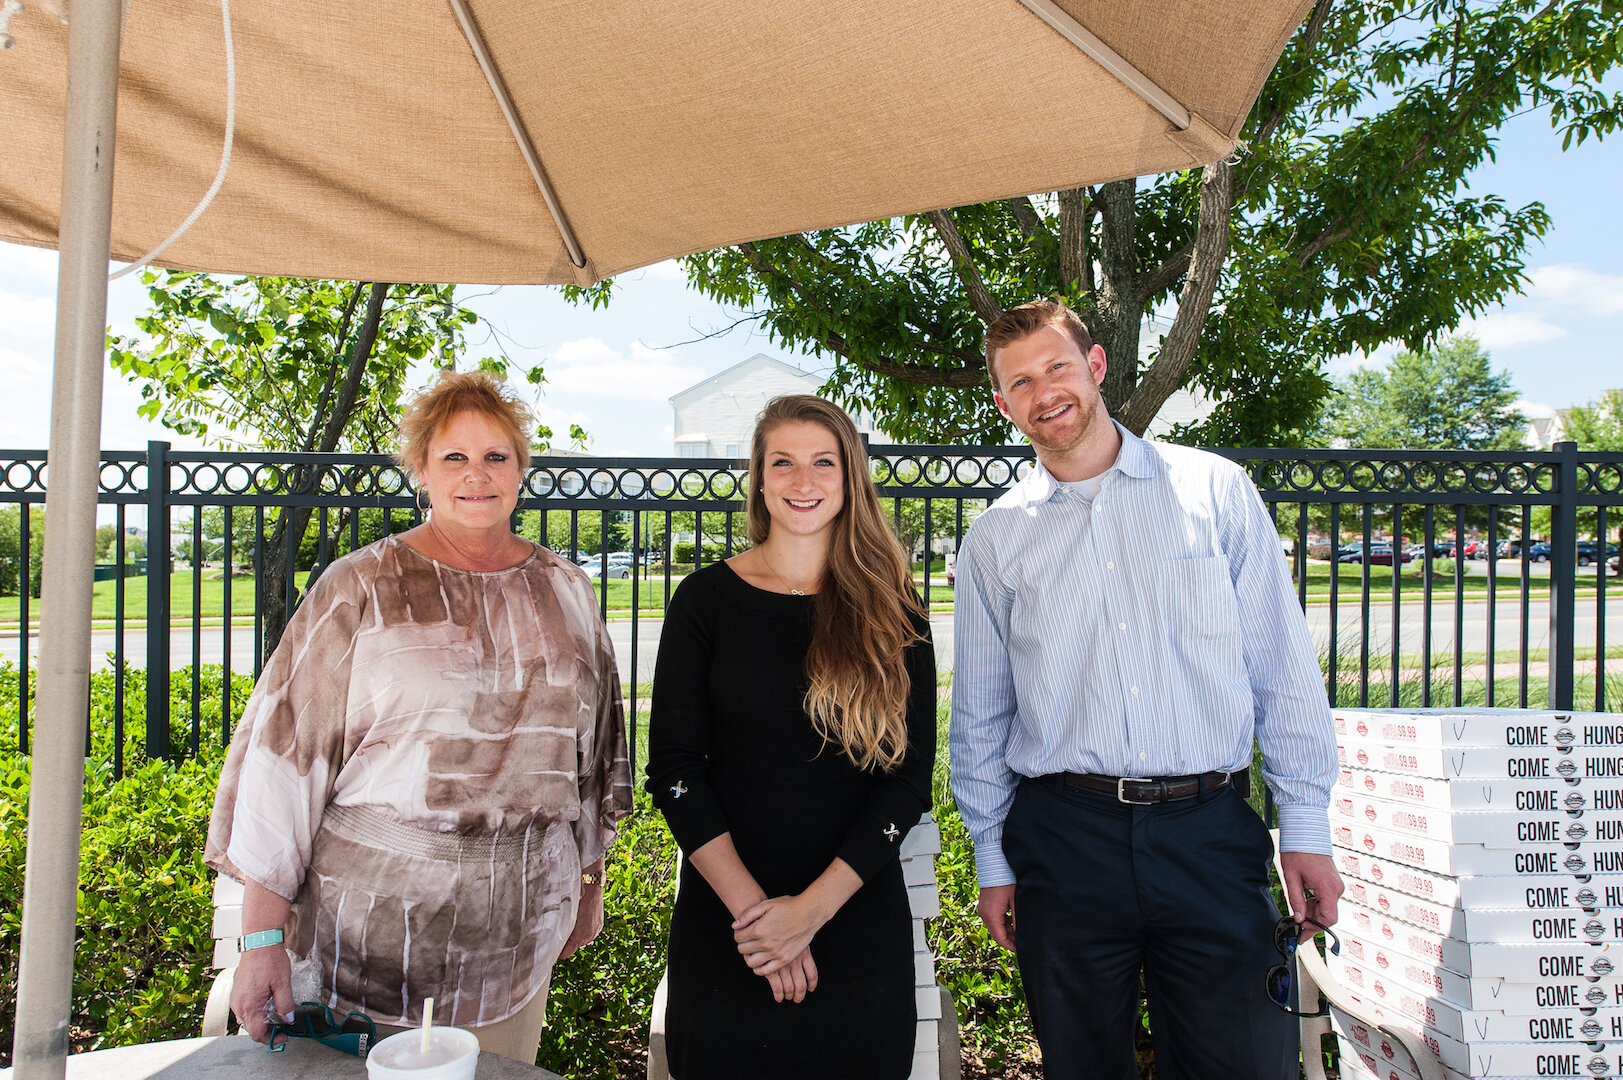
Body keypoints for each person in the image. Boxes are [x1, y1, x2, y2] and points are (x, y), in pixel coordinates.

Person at [949, 300, 1341, 1080]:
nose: (1043, 391)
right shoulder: (996, 536)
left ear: (1094, 368)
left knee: (1241, 1065)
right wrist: (993, 857)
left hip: (1208, 832)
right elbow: (981, 715)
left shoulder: (1213, 491)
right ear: (1003, 404)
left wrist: (1304, 825)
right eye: (1019, 381)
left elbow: (1281, 668)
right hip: (1063, 842)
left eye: (1056, 367)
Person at [205, 370, 633, 1061]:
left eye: (496, 456)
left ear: (521, 470)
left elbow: (593, 755)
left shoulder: (567, 590)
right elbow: (283, 766)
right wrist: (260, 943)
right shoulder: (360, 586)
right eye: (454, 458)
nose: (477, 476)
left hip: (516, 954)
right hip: (366, 960)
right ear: (421, 471)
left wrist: (588, 883)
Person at [647, 395, 936, 1079]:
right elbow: (675, 770)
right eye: (783, 462)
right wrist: (762, 924)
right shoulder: (704, 601)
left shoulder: (894, 609)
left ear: (849, 477)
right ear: (758, 477)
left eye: (821, 463)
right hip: (729, 926)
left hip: (854, 922)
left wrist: (808, 914)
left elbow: (907, 782)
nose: (802, 481)